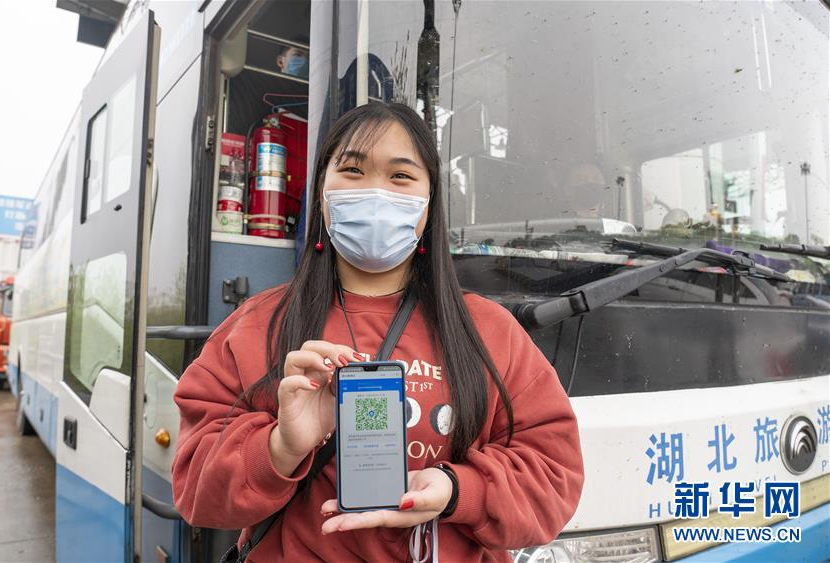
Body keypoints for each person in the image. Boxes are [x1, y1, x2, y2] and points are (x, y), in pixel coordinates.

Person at [171, 102, 584, 561]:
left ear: (429, 205)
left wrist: (455, 490)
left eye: (401, 176)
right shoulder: (257, 325)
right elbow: (193, 488)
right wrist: (280, 447)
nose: (375, 192)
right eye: (352, 170)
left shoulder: (490, 331)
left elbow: (554, 479)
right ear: (321, 192)